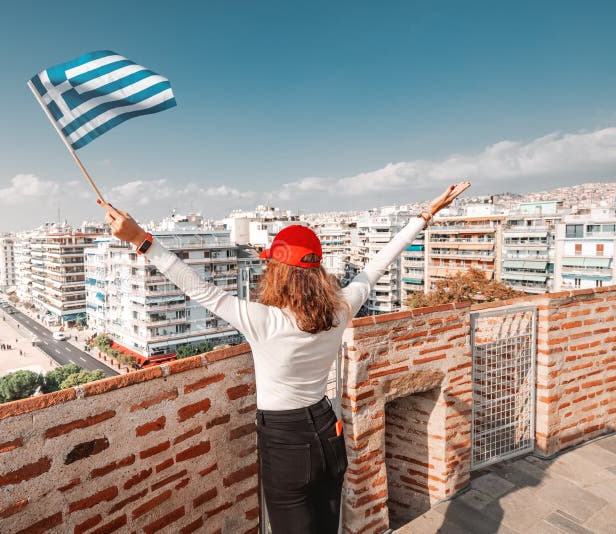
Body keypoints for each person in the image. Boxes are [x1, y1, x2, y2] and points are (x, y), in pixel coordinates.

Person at [100, 182, 469, 534]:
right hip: (329, 431)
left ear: (277, 271)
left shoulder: (263, 320)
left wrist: (141, 240)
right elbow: (377, 266)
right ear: (318, 271)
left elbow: (200, 289)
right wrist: (425, 215)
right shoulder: (340, 309)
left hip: (285, 441)